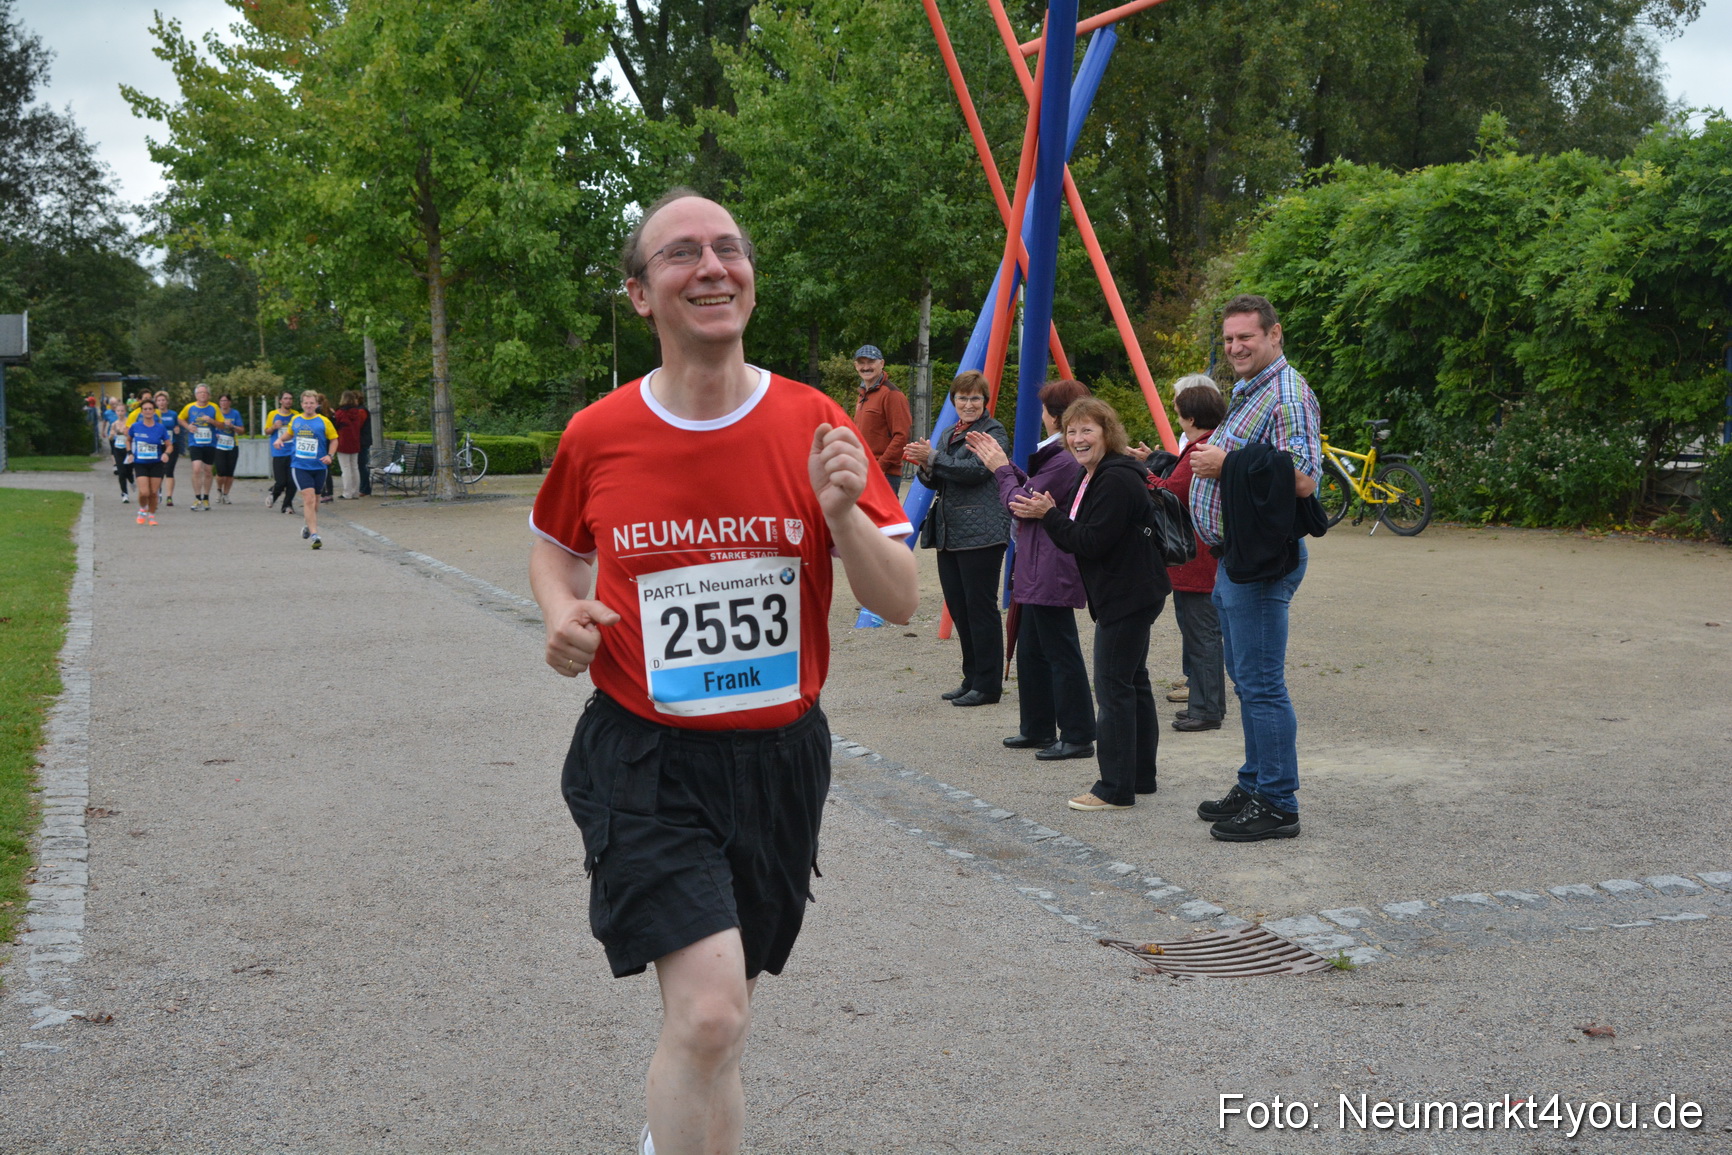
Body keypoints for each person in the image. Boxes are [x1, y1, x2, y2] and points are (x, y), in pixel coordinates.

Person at [527, 189, 916, 1155]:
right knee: (708, 1014)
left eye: (728, 248)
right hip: (646, 756)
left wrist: (839, 517)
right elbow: (552, 548)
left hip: (779, 759)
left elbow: (902, 597)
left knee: (723, 1018)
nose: (711, 265)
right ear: (639, 294)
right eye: (680, 253)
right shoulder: (600, 433)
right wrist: (560, 614)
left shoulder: (816, 421)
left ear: (748, 277)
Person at [1187, 293, 1321, 842]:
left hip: (1262, 563)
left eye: (1246, 336)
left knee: (1262, 684)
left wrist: (1227, 463)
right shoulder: (1251, 390)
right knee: (1246, 681)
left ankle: (1278, 802)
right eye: (1228, 339)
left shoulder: (1287, 392)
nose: (1236, 347)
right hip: (1235, 558)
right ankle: (1255, 780)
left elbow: (1305, 477)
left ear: (1274, 334)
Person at [1012, 397, 1170, 811]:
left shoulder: (1114, 477)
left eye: (1087, 430)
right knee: (1133, 682)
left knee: (1115, 687)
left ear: (1107, 432)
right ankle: (1140, 776)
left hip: (1127, 594)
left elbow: (1091, 541)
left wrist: (1049, 514)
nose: (1078, 439)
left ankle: (1115, 788)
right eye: (1072, 431)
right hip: (1132, 590)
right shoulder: (1098, 473)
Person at [967, 378, 1096, 760]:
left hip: (1051, 563)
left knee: (1059, 650)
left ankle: (1076, 735)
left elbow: (1020, 503)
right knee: (1034, 650)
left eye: (1044, 410)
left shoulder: (1064, 457)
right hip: (1038, 562)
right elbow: (1032, 491)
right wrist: (1008, 469)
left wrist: (1001, 470)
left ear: (1054, 416)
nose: (1040, 417)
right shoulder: (1057, 456)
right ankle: (1038, 727)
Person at [905, 371, 1011, 707]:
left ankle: (989, 684)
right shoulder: (951, 433)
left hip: (982, 533)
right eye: (962, 398)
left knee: (981, 609)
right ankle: (972, 678)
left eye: (975, 398)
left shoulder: (993, 432)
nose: (968, 404)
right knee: (962, 609)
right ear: (954, 401)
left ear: (985, 402)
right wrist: (925, 464)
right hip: (951, 532)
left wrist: (933, 459)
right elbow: (940, 479)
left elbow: (976, 472)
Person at [1151, 378, 1228, 733]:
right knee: (1200, 634)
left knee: (1201, 636)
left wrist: (1141, 473)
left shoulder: (1201, 449)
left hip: (1197, 561)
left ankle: (1207, 708)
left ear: (1192, 418)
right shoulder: (1209, 445)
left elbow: (1171, 491)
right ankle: (1202, 702)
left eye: (1180, 415)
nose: (1178, 419)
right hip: (1199, 560)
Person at [276, 390, 337, 549]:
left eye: (311, 403)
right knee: (308, 498)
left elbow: (334, 440)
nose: (308, 406)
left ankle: (307, 524)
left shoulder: (324, 421)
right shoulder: (296, 420)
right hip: (300, 466)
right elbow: (290, 434)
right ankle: (315, 535)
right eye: (305, 403)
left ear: (317, 404)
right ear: (302, 404)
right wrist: (280, 439)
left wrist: (330, 455)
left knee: (316, 501)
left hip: (319, 466)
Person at [851, 344, 913, 496]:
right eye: (861, 363)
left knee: (882, 520)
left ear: (882, 364)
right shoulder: (862, 395)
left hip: (884, 475)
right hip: (863, 472)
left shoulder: (892, 395)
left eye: (871, 362)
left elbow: (902, 436)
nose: (866, 367)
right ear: (855, 366)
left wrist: (880, 467)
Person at [124, 398, 174, 525]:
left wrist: (166, 454)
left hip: (156, 463)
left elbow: (169, 445)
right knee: (144, 492)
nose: (147, 411)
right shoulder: (135, 426)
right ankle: (142, 509)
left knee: (153, 492)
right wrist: (130, 453)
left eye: (150, 409)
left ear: (154, 411)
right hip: (140, 463)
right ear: (141, 412)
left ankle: (151, 516)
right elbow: (128, 440)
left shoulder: (160, 428)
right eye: (145, 409)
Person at [178, 383, 222, 511]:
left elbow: (222, 425)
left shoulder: (214, 407)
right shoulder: (190, 407)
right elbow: (180, 418)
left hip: (210, 443)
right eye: (200, 392)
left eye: (205, 392)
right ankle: (197, 497)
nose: (202, 395)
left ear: (209, 395)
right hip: (195, 442)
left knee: (208, 471)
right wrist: (188, 427)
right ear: (196, 395)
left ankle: (206, 498)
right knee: (196, 469)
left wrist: (211, 421)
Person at [264, 391, 299, 513]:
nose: (288, 401)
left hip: (293, 453)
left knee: (292, 481)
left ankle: (287, 505)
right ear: (281, 401)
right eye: (285, 398)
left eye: (290, 399)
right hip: (279, 452)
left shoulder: (296, 415)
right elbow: (267, 431)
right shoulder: (273, 414)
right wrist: (274, 427)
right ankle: (274, 493)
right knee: (281, 481)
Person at [332, 390, 369, 500]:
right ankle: (355, 491)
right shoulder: (357, 412)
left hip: (343, 442)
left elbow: (335, 425)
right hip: (355, 442)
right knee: (354, 467)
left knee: (346, 468)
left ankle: (347, 492)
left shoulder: (340, 413)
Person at [151, 390, 183, 507]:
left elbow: (177, 426)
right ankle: (157, 492)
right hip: (157, 445)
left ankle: (169, 497)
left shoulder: (173, 414)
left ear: (167, 402)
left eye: (163, 400)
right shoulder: (153, 415)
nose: (161, 402)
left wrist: (177, 429)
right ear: (155, 402)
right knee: (158, 471)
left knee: (169, 471)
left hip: (171, 445)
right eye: (159, 400)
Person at [212, 393, 244, 503]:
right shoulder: (215, 413)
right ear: (219, 403)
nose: (224, 403)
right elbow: (210, 427)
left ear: (229, 402)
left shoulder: (235, 413)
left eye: (226, 401)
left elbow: (242, 430)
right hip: (218, 446)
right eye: (222, 401)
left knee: (230, 472)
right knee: (221, 471)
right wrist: (214, 434)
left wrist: (233, 426)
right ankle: (219, 490)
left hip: (232, 445)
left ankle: (226, 494)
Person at [105, 402, 133, 503]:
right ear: (115, 412)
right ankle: (124, 494)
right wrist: (112, 435)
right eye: (118, 411)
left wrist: (126, 434)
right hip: (118, 449)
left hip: (128, 449)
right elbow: (110, 437)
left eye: (122, 411)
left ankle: (132, 481)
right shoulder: (114, 424)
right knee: (121, 472)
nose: (120, 413)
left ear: (125, 412)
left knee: (128, 471)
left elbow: (132, 436)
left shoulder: (129, 423)